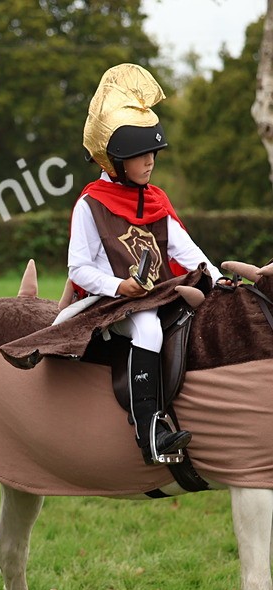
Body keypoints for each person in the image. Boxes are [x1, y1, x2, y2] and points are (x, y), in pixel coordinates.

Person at [73, 63, 226, 463]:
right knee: (149, 330)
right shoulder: (90, 205)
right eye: (140, 155)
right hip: (111, 303)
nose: (150, 161)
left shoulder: (155, 200)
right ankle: (151, 432)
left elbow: (188, 253)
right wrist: (118, 287)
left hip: (157, 294)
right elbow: (78, 270)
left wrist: (221, 282)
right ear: (113, 161)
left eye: (152, 152)